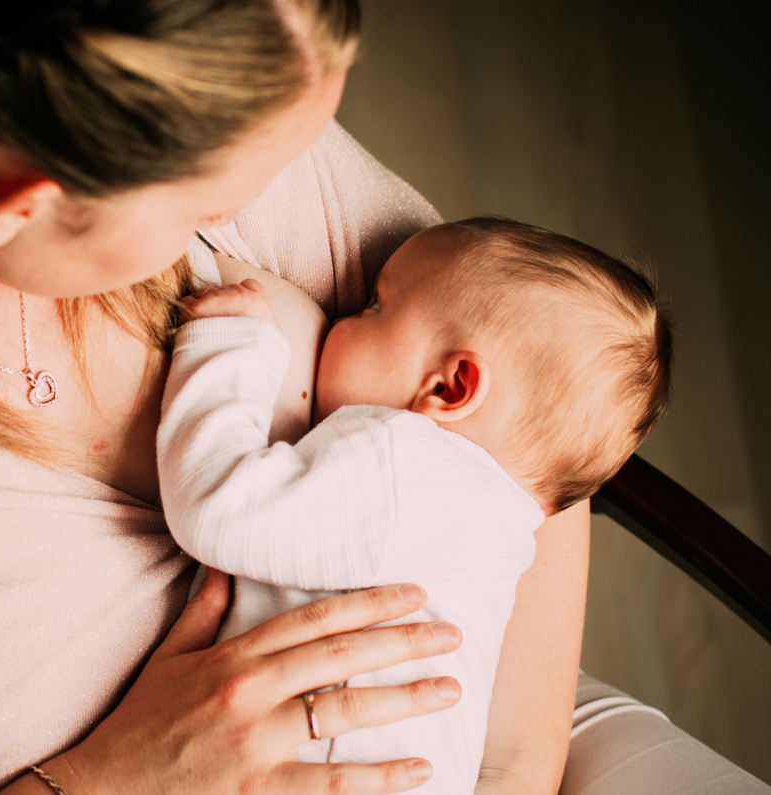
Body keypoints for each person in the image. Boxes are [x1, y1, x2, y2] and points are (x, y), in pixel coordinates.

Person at [0, 0, 766, 793]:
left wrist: (503, 779)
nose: (238, 223)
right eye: (208, 199)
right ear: (17, 201)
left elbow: (523, 433)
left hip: (474, 723)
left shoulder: (214, 76)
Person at [157, 217, 673, 793]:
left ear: (449, 387)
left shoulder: (405, 457)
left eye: (375, 305)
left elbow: (218, 508)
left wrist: (232, 343)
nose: (348, 311)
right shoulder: (504, 524)